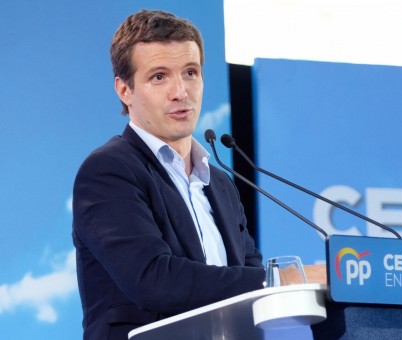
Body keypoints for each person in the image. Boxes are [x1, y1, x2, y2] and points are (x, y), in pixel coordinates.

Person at [72, 10, 324, 340]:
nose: (181, 92)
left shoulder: (220, 184)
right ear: (125, 90)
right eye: (159, 77)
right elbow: (153, 279)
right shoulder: (108, 171)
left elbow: (248, 282)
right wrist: (290, 278)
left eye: (190, 72)